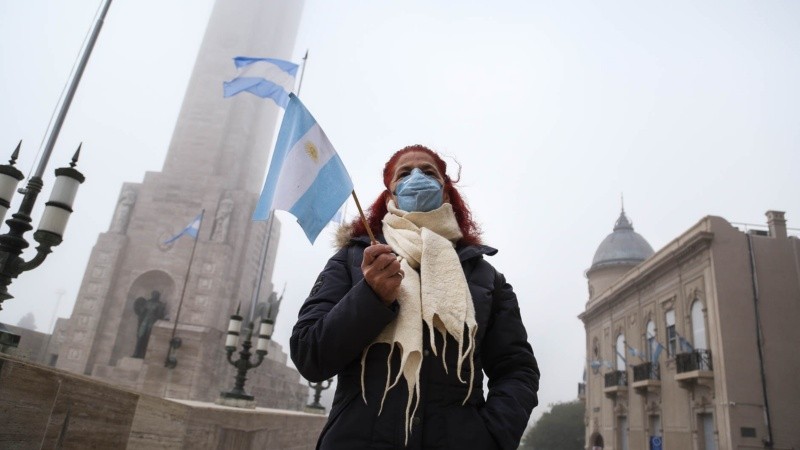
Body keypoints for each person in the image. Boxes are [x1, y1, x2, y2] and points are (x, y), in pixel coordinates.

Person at [290, 145, 539, 450]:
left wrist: (490, 436)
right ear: (390, 197)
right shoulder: (352, 260)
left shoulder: (485, 278)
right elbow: (309, 354)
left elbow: (516, 368)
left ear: (446, 193)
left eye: (428, 171)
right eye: (405, 173)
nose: (417, 176)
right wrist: (370, 297)